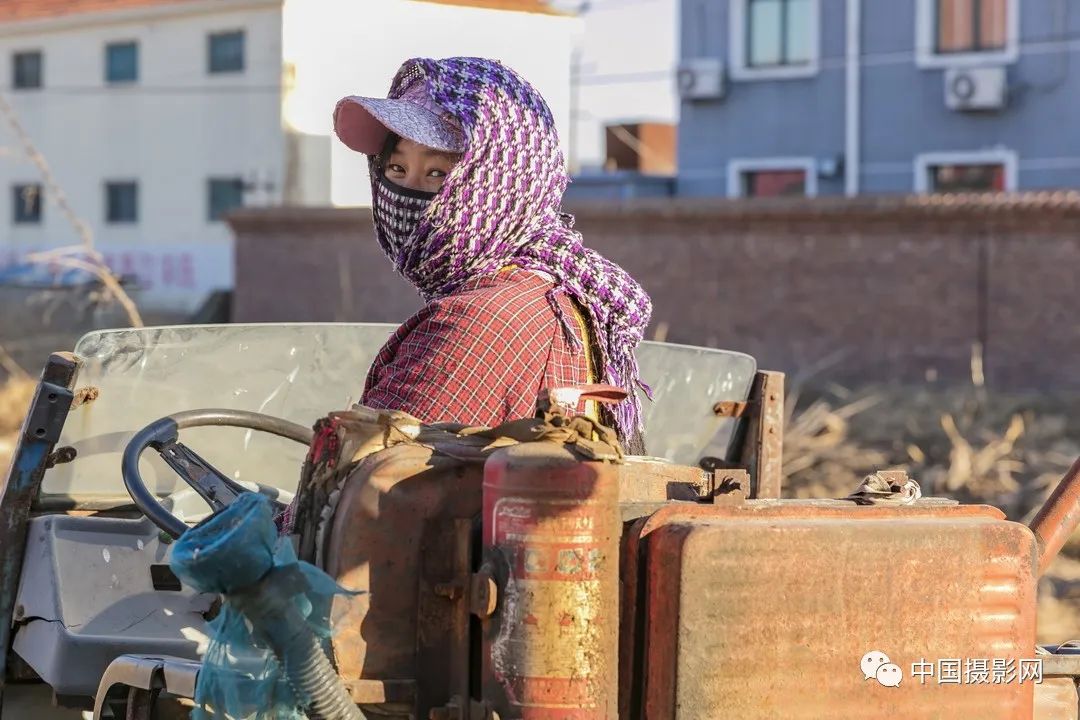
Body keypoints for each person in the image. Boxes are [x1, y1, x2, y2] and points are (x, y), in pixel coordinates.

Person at [332, 56, 652, 453]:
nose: (408, 192)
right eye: (397, 169)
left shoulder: (476, 322)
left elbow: (349, 492)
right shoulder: (555, 289)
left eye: (438, 174)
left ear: (500, 183)